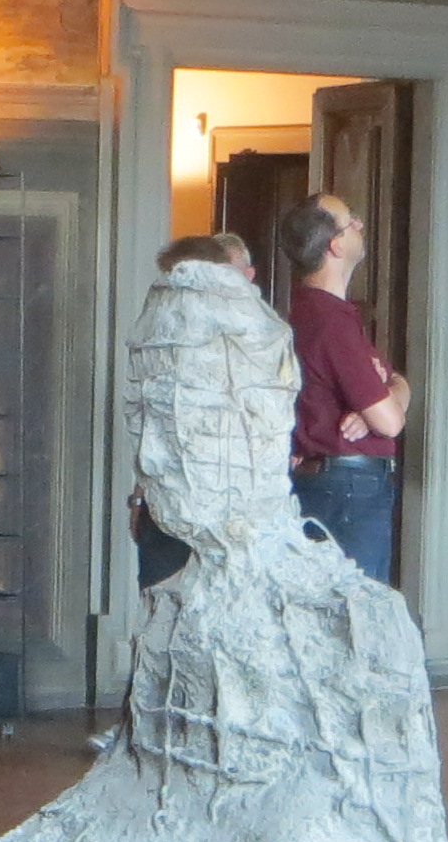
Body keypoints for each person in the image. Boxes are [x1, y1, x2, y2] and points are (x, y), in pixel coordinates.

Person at [279, 194, 409, 581]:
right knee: (357, 608)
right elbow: (391, 422)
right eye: (351, 220)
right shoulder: (330, 321)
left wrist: (385, 397)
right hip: (348, 487)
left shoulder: (313, 311)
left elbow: (398, 386)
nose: (360, 224)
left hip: (331, 483)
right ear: (335, 246)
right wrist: (384, 403)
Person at [132, 233, 255, 592]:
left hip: (228, 510)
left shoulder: (257, 339)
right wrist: (140, 494)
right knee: (163, 607)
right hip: (166, 505)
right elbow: (150, 422)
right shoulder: (161, 333)